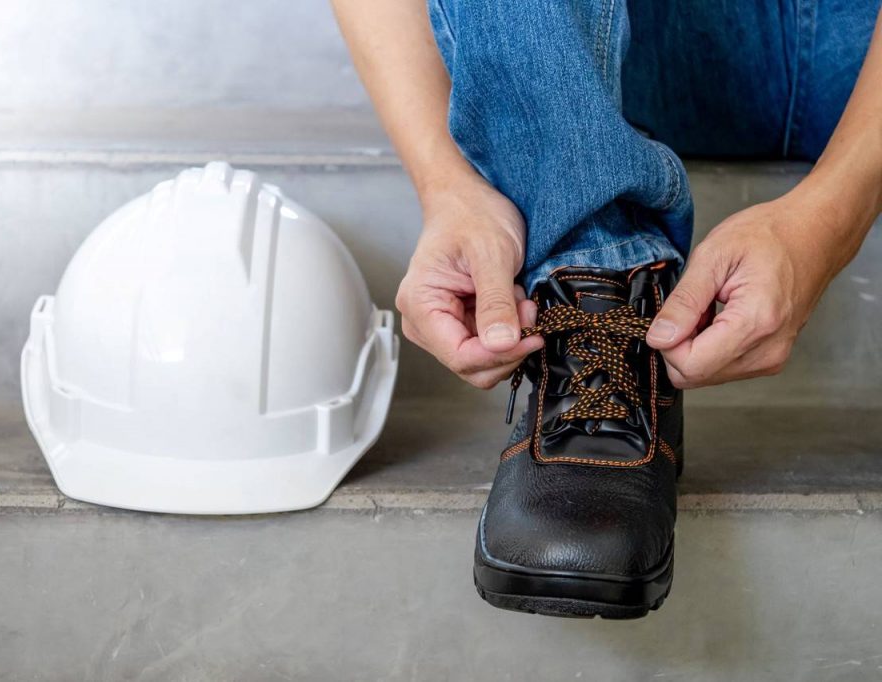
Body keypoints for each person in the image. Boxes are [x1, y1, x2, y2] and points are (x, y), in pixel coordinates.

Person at [330, 0, 882, 618]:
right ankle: (597, 279)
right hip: (629, 43)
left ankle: (602, 292)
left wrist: (831, 219)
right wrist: (450, 186)